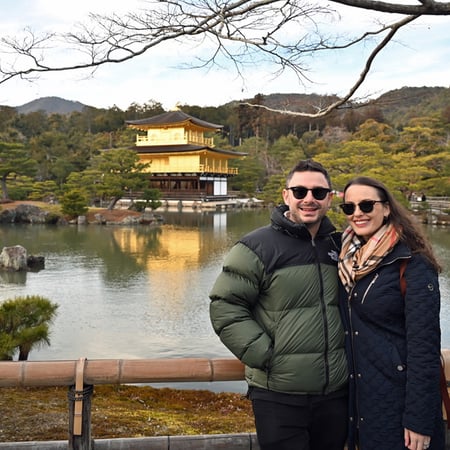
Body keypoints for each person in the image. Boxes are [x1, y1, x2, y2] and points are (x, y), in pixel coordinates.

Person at [209, 159, 348, 450]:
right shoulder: (256, 246)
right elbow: (225, 306)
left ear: (330, 199)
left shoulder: (341, 246)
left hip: (336, 393)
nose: (309, 198)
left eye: (318, 193)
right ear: (286, 196)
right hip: (278, 395)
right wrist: (266, 355)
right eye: (299, 191)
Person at [337, 176, 444, 450]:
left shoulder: (411, 262)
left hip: (399, 402)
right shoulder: (347, 258)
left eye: (367, 205)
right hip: (362, 399)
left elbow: (424, 346)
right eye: (349, 208)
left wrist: (419, 420)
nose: (358, 213)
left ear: (386, 208)